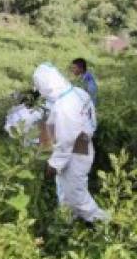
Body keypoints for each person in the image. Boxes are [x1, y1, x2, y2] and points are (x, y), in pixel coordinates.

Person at [33, 63, 108, 223]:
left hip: (75, 151)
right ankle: (67, 225)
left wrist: (53, 165)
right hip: (83, 143)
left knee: (77, 198)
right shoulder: (76, 92)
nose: (40, 92)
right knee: (65, 191)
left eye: (40, 87)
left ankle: (108, 224)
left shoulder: (64, 107)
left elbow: (66, 142)